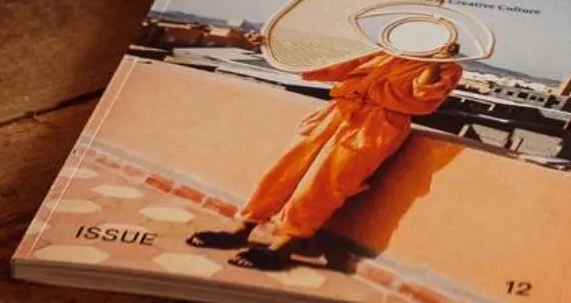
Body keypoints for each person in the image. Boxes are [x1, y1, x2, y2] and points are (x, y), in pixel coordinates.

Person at [188, 32, 463, 271]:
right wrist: (274, 46)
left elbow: (422, 96)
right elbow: (328, 65)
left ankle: (283, 245)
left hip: (376, 127)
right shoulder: (383, 53)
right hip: (334, 115)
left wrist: (435, 62)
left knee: (324, 185)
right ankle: (241, 229)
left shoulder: (448, 69)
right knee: (282, 172)